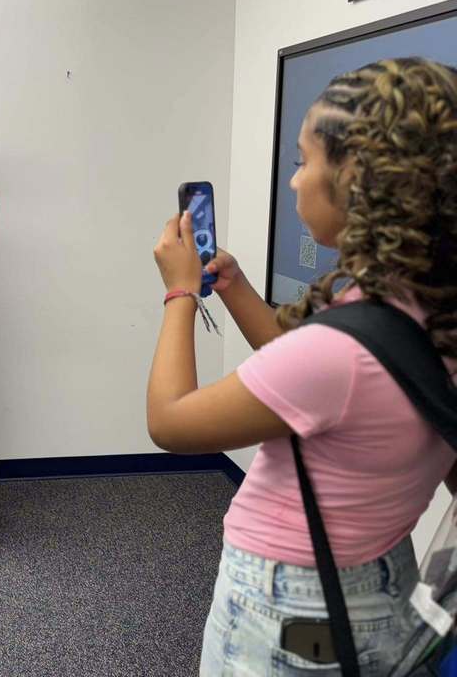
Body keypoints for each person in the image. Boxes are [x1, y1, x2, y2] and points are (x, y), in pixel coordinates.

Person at [147, 58, 457, 672]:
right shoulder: (427, 310)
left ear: (360, 182)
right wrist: (233, 288)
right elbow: (303, 378)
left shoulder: (337, 355)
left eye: (305, 161)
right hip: (380, 578)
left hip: (289, 602)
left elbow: (171, 421)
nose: (294, 182)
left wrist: (180, 293)